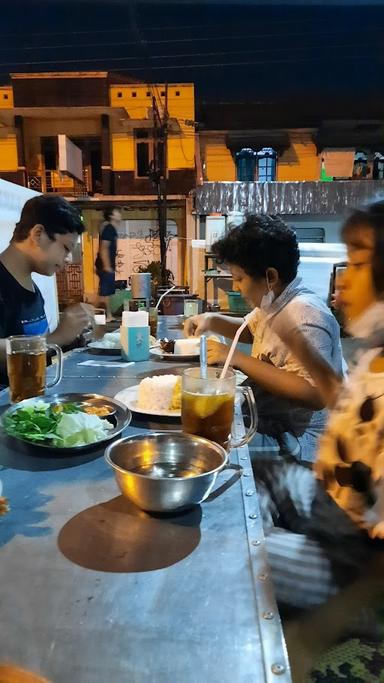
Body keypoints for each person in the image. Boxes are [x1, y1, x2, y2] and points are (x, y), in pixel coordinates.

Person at [251, 201, 384, 610]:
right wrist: (296, 343)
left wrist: (329, 624)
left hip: (346, 562)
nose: (340, 286)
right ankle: (277, 535)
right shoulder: (373, 358)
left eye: (357, 265)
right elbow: (341, 400)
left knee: (236, 550)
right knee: (245, 477)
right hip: (326, 499)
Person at [184, 214, 344, 464]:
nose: (235, 287)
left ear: (270, 276)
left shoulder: (305, 314)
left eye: (239, 279)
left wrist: (235, 358)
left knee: (209, 452)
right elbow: (249, 330)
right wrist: (211, 320)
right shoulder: (273, 301)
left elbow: (315, 394)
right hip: (271, 420)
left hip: (302, 443)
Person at [0, 194, 93, 384]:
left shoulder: (32, 288)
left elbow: (40, 350)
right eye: (66, 248)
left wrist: (72, 336)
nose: (68, 259)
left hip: (34, 403)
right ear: (37, 234)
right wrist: (56, 337)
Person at [95, 207, 121, 322]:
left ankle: (98, 314)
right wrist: (106, 266)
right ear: (111, 215)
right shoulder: (109, 228)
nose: (119, 214)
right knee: (105, 292)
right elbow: (104, 248)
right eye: (117, 212)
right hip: (105, 265)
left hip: (106, 264)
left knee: (105, 292)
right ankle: (106, 315)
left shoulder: (110, 228)